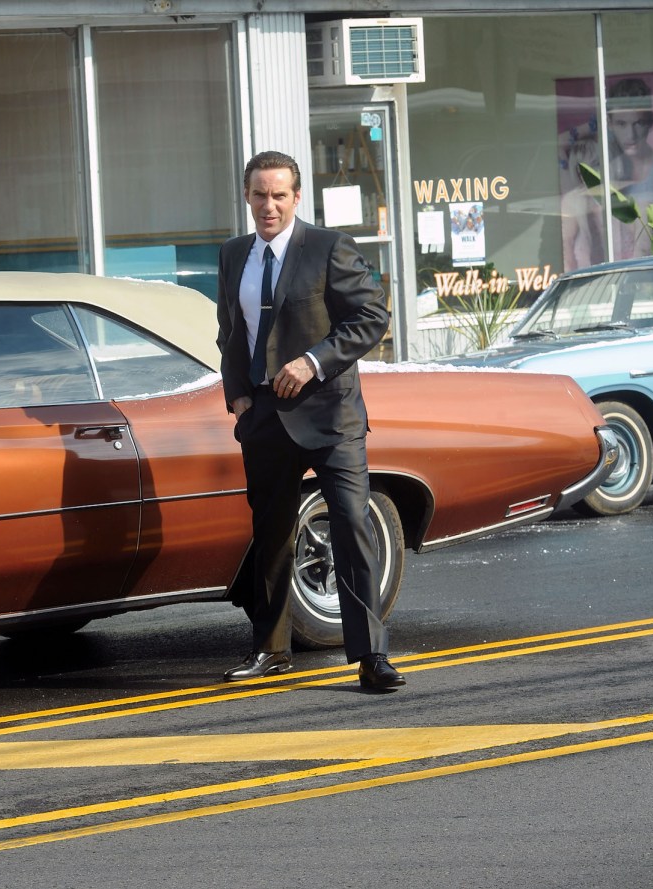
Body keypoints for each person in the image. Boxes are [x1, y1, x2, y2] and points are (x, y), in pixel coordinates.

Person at [216, 150, 405, 692]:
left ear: (297, 197)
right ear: (247, 197)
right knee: (270, 536)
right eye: (259, 194)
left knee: (350, 525)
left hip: (330, 416)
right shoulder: (233, 256)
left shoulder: (328, 247)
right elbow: (231, 333)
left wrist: (313, 361)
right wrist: (238, 398)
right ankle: (270, 650)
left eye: (279, 195)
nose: (268, 205)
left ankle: (371, 657)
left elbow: (372, 316)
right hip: (264, 419)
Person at [606, 77, 653, 259]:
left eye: (639, 123)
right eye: (622, 124)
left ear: (650, 121)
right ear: (610, 124)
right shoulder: (606, 169)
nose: (631, 135)